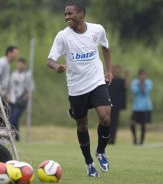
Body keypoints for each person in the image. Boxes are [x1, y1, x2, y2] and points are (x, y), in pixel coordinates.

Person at [47, 2, 112, 177]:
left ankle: (100, 152)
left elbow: (105, 47)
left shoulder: (97, 30)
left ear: (81, 14)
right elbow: (50, 60)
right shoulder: (63, 36)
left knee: (105, 117)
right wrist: (57, 67)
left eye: (70, 13)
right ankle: (89, 163)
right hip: (76, 87)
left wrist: (109, 71)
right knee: (82, 124)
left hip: (97, 81)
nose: (67, 17)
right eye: (65, 14)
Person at [9, 58, 34, 141]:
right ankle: (17, 138)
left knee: (13, 118)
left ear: (24, 65)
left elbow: (30, 88)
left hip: (21, 101)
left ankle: (9, 136)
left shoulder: (27, 75)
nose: (19, 65)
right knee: (14, 119)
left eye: (21, 64)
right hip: (12, 99)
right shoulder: (13, 74)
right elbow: (11, 86)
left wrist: (27, 95)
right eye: (18, 63)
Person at [130, 69, 152, 145]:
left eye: (144, 75)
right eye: (141, 75)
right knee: (132, 124)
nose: (143, 77)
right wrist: (139, 84)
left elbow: (144, 92)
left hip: (146, 107)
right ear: (139, 75)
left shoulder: (148, 82)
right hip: (136, 107)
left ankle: (141, 142)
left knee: (143, 125)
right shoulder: (134, 82)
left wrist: (142, 84)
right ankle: (135, 139)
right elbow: (135, 92)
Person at [108, 65, 129, 144]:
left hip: (117, 105)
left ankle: (112, 140)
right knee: (107, 122)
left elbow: (126, 87)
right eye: (115, 71)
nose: (117, 73)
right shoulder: (109, 80)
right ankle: (106, 139)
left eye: (118, 72)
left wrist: (126, 76)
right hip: (108, 104)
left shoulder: (121, 81)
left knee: (114, 123)